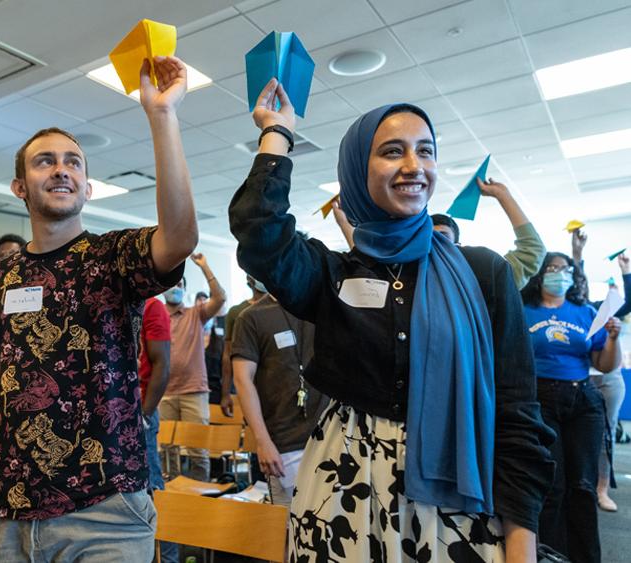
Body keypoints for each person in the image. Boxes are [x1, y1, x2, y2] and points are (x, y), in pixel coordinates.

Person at [229, 79, 555, 562]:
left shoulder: (483, 271)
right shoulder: (333, 274)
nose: (413, 166)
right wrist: (277, 133)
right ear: (359, 171)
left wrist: (521, 538)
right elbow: (260, 236)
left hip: (455, 491)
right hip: (340, 488)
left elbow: (516, 408)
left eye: (425, 150)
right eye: (391, 152)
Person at [0, 55, 197, 563]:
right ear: (19, 187)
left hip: (105, 513)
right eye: (44, 161)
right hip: (4, 513)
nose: (61, 169)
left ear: (87, 187)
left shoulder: (113, 257)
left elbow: (180, 236)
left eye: (73, 161)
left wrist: (162, 116)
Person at [521, 252, 621, 563]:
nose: (559, 274)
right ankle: (552, 555)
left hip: (583, 401)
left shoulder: (584, 312)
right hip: (540, 398)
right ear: (539, 274)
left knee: (583, 485)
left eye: (565, 269)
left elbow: (603, 365)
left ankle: (585, 557)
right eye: (552, 268)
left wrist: (613, 339)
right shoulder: (524, 311)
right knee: (553, 484)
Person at [231, 294, 328, 506]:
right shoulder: (251, 317)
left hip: (331, 439)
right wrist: (262, 441)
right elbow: (242, 379)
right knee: (288, 529)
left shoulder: (323, 304)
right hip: (284, 443)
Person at [568, 229, 631, 512]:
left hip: (609, 379)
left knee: (605, 435)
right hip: (582, 379)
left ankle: (602, 488)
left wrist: (625, 271)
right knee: (577, 434)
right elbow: (577, 282)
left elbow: (628, 302)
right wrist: (577, 254)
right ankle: (578, 483)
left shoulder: (605, 310)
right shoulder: (576, 310)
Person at [159, 253, 226, 481]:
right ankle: (174, 500)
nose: (175, 287)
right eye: (171, 284)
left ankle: (200, 499)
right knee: (168, 451)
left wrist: (205, 267)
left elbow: (220, 297)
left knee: (198, 451)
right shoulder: (156, 317)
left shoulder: (195, 314)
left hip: (194, 391)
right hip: (164, 393)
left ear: (185, 289)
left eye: (179, 284)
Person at [430, 178, 545, 290]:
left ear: (457, 246)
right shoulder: (414, 275)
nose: (434, 242)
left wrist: (503, 196)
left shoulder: (483, 274)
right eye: (428, 237)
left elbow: (532, 250)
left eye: (442, 237)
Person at [137, 297, 178, 563]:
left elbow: (162, 365)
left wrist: (145, 414)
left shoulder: (151, 306)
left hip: (140, 413)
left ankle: (169, 558)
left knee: (153, 490)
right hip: (112, 418)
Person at [219, 275, 266, 415]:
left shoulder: (282, 309)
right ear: (249, 279)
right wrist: (225, 393)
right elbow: (228, 354)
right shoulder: (237, 312)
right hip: (247, 384)